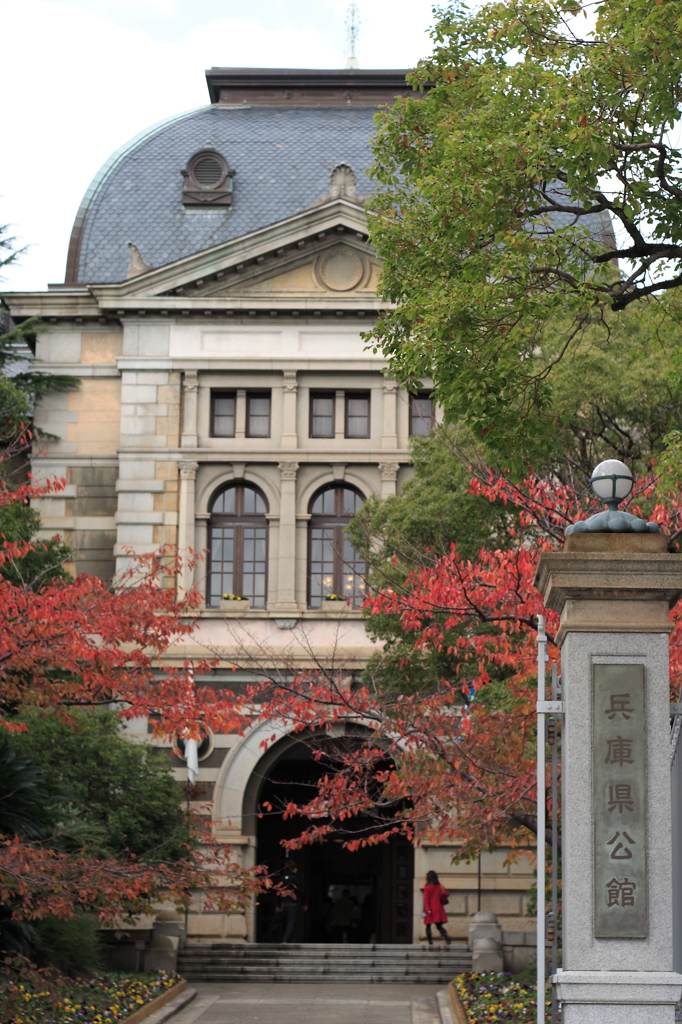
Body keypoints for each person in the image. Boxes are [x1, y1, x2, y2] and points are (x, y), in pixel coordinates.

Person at [278, 859, 307, 943]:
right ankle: (286, 940)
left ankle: (289, 938)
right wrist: (304, 903)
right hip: (292, 903)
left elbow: (278, 892)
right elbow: (300, 892)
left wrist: (278, 905)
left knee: (284, 921)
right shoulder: (295, 879)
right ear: (293, 869)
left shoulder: (281, 878)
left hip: (283, 903)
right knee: (291, 921)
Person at [422, 870, 452, 947]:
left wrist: (428, 909)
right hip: (438, 907)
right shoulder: (439, 886)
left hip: (430, 908)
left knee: (428, 925)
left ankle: (430, 941)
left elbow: (426, 899)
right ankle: (447, 938)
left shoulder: (427, 887)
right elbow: (446, 894)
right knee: (439, 926)